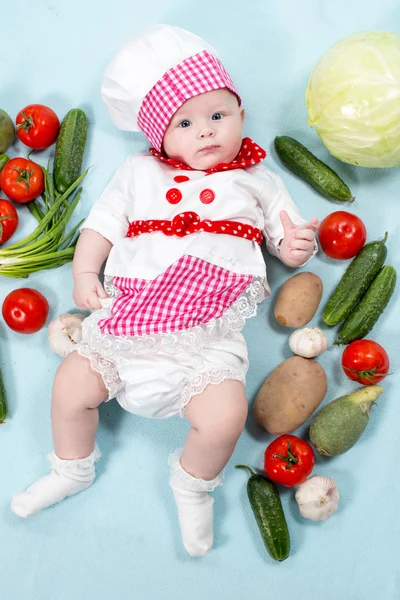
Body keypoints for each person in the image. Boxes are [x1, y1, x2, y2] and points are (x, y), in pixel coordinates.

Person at [11, 24, 318, 556]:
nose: (205, 131)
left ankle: (192, 485)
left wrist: (296, 247)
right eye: (185, 122)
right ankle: (72, 467)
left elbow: (285, 236)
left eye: (218, 115)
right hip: (127, 322)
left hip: (206, 337)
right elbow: (102, 226)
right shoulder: (138, 172)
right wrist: (85, 275)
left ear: (241, 116)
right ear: (159, 137)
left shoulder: (257, 179)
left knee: (224, 419)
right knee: (71, 387)